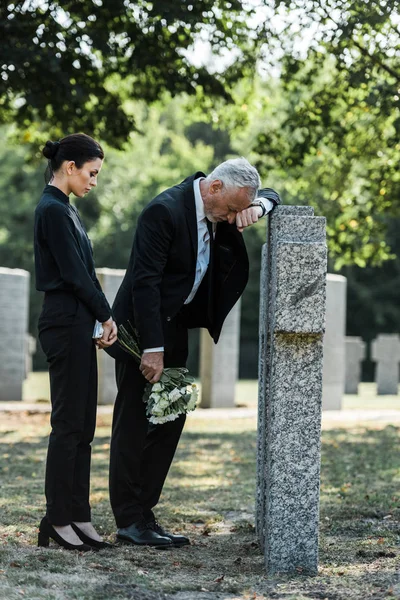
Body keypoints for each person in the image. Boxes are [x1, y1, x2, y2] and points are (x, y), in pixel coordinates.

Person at [107, 157, 280, 548]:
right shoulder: (163, 212)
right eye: (233, 208)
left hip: (177, 327)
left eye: (240, 210)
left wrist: (258, 206)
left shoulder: (226, 206)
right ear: (214, 188)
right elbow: (145, 285)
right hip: (142, 332)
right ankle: (128, 520)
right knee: (134, 423)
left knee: (170, 419)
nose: (234, 218)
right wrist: (152, 350)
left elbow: (273, 195)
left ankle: (144, 511)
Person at [34, 133, 118, 551]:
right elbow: (73, 273)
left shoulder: (65, 209)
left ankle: (79, 515)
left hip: (77, 324)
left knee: (84, 425)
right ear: (70, 167)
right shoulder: (51, 210)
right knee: (67, 425)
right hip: (63, 323)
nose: (94, 181)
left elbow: (82, 271)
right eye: (92, 173)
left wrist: (97, 316)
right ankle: (57, 519)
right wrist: (105, 313)